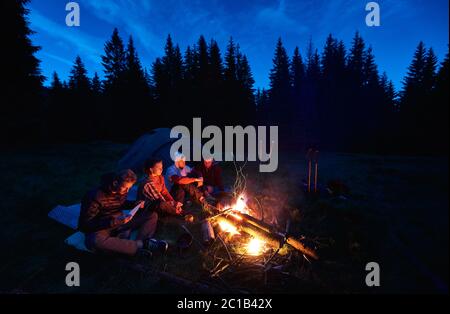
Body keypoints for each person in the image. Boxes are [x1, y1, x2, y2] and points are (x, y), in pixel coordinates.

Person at [78, 169, 168, 256]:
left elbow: (119, 204)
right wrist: (113, 222)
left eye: (129, 188)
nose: (127, 191)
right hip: (104, 226)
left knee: (151, 215)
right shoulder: (94, 196)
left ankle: (141, 242)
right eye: (125, 188)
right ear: (115, 183)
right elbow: (85, 225)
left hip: (121, 220)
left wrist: (134, 204)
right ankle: (140, 245)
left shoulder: (121, 189)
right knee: (94, 241)